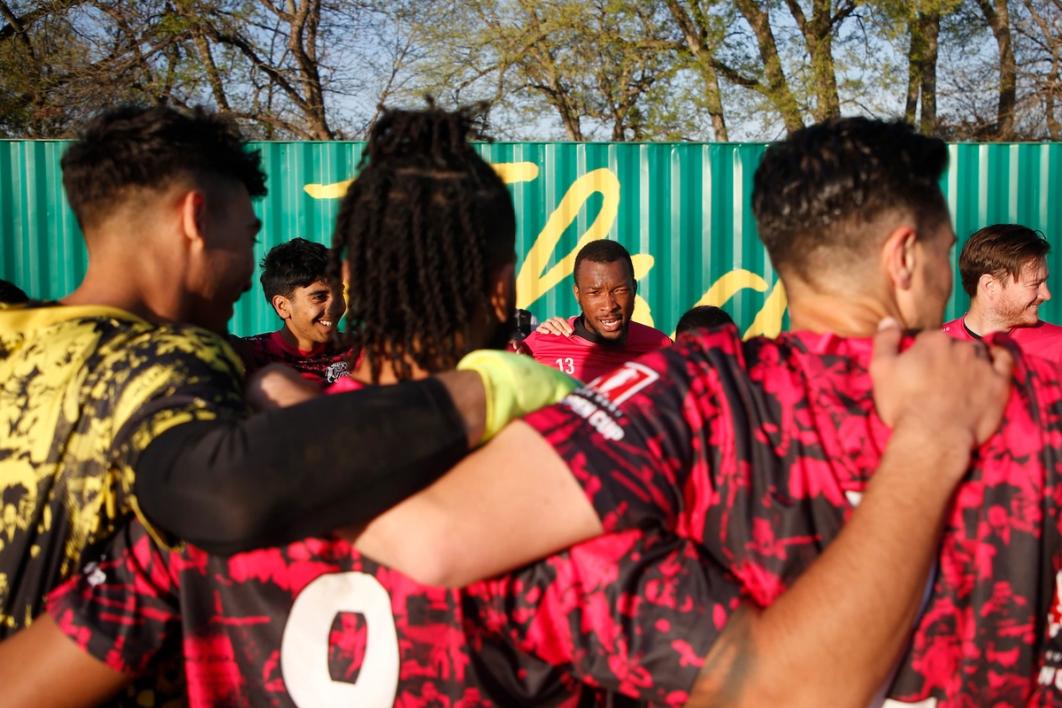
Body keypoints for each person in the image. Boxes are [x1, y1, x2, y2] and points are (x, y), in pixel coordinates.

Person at [0, 109, 1010, 708]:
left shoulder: (217, 506)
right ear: (501, 289)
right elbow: (760, 683)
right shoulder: (549, 523)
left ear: (351, 280)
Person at [340, 117, 1054, 705]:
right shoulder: (1032, 389)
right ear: (903, 257)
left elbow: (430, 537)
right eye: (945, 250)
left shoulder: (689, 390)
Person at [0, 104, 573, 638]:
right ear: (196, 218)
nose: (251, 276)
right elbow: (236, 493)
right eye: (248, 237)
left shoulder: (11, 337)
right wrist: (490, 387)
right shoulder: (171, 363)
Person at [518, 240, 671, 382]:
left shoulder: (661, 347)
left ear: (634, 289)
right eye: (595, 293)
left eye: (619, 290)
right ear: (578, 294)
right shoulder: (539, 346)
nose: (609, 305)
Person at [942, 223, 1062, 363]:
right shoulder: (932, 350)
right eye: (1034, 284)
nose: (1046, 295)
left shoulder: (1057, 347)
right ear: (989, 286)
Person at [238, 237, 351, 384]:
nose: (336, 305)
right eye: (319, 296)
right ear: (282, 306)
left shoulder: (358, 353)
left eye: (339, 293)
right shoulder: (249, 357)